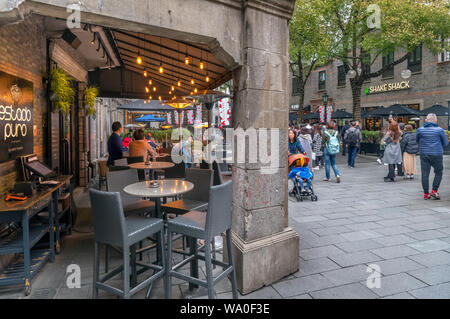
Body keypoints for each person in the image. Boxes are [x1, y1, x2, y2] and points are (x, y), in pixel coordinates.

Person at [416, 113, 449, 200]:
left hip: (424, 154)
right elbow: (446, 143)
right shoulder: (440, 130)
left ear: (426, 120)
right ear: (435, 120)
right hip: (436, 154)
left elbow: (417, 140)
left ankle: (426, 193)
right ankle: (434, 191)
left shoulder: (420, 130)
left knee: (425, 174)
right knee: (438, 172)